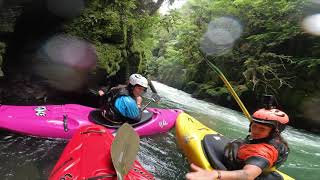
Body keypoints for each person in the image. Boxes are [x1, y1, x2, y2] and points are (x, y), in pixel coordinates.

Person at [186, 104, 290, 180]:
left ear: (274, 132)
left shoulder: (263, 151)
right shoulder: (278, 141)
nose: (255, 131)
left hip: (242, 170)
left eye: (262, 129)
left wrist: (216, 174)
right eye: (254, 126)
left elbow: (248, 175)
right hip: (263, 174)